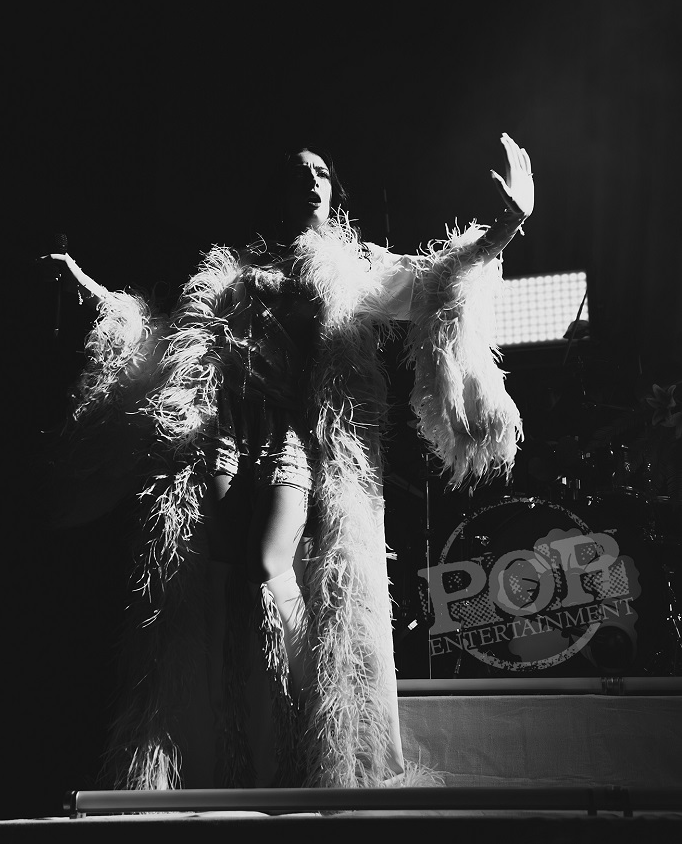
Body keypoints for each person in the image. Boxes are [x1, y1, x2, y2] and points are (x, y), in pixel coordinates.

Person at [45, 133, 534, 790]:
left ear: (333, 192)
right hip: (222, 437)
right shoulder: (229, 272)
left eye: (322, 173)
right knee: (218, 599)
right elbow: (166, 340)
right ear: (277, 192)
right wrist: (91, 292)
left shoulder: (351, 265)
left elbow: (433, 279)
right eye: (299, 173)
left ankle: (325, 726)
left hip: (295, 440)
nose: (311, 181)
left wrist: (506, 224)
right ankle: (236, 756)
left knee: (265, 566)